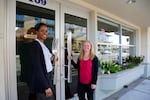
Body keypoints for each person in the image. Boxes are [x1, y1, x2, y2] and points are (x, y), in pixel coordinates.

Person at [28, 23, 57, 100]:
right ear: (37, 32)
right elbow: (37, 67)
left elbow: (44, 62)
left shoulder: (43, 45)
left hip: (48, 76)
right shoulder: (35, 45)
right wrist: (45, 86)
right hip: (42, 78)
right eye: (42, 31)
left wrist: (52, 60)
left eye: (46, 31)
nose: (45, 33)